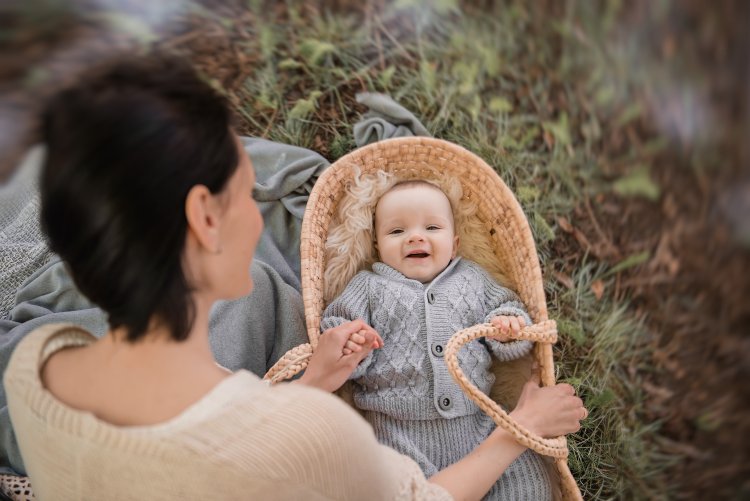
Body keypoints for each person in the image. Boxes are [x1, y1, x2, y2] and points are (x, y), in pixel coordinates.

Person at [3, 55, 586, 500]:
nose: (261, 210)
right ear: (206, 220)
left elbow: (223, 434)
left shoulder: (40, 364)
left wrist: (311, 382)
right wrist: (521, 430)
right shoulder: (316, 443)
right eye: (245, 190)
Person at [322, 178, 565, 499]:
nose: (415, 237)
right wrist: (353, 344)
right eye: (397, 232)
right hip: (396, 435)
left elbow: (510, 310)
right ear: (378, 247)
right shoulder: (369, 286)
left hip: (477, 426)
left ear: (455, 243)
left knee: (526, 479)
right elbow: (336, 326)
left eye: (432, 228)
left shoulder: (473, 280)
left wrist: (507, 326)